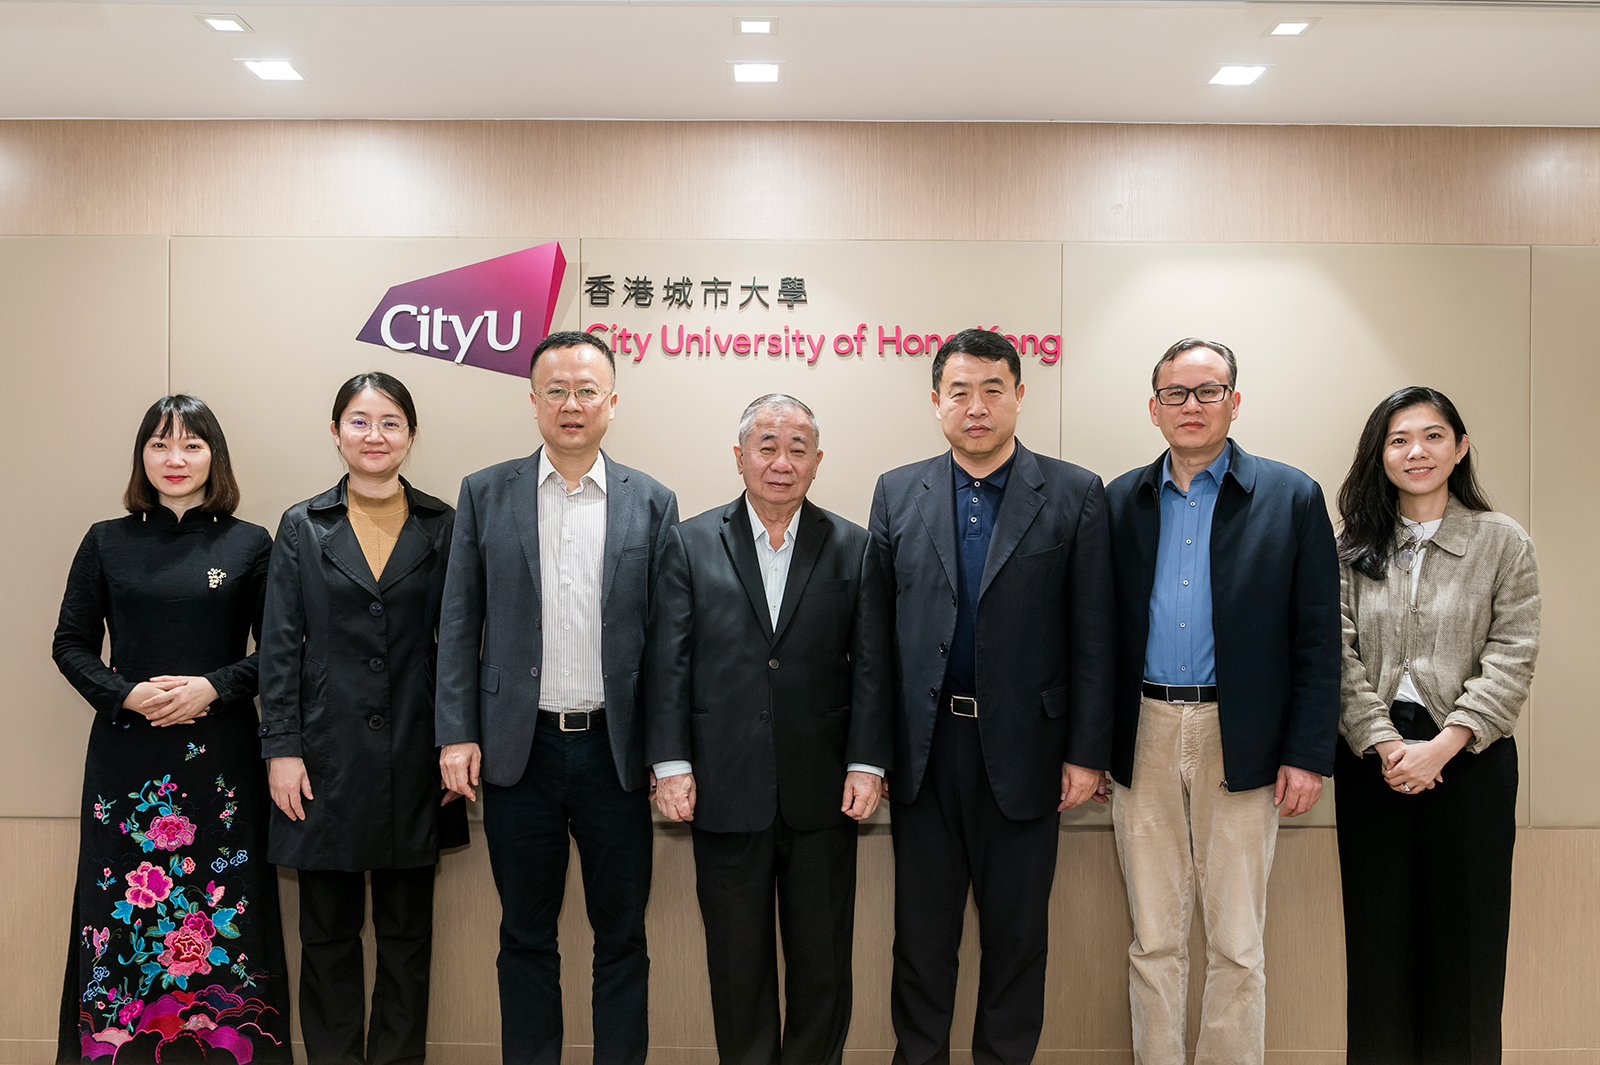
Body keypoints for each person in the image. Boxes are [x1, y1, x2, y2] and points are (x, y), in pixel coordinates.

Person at [867, 328, 1116, 1065]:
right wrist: (872, 754)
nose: (976, 407)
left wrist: (1086, 753)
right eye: (960, 392)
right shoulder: (896, 489)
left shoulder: (1074, 493)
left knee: (1016, 939)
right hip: (925, 750)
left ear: (1018, 395)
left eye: (992, 390)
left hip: (1029, 752)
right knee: (921, 937)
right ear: (936, 401)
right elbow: (876, 640)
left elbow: (1095, 635)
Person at [434, 330, 678, 1065]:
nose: (571, 405)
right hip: (519, 751)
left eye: (586, 391)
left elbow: (669, 644)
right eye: (556, 390)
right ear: (533, 400)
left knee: (622, 937)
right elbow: (457, 621)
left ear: (612, 401)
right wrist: (456, 732)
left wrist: (668, 758)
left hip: (615, 753)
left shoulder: (652, 499)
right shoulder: (484, 491)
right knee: (525, 935)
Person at [1103, 338, 1341, 1065]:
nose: (1192, 406)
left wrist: (1305, 752)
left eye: (1209, 391)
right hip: (1141, 727)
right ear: (1154, 408)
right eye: (1176, 393)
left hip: (1240, 732)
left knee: (1237, 939)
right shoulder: (1119, 500)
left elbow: (1317, 636)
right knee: (1155, 937)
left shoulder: (1290, 495)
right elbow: (1093, 631)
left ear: (1235, 401)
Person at [647, 393, 892, 1065]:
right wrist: (670, 763)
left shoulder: (854, 545)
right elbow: (669, 658)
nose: (781, 462)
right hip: (724, 789)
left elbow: (872, 664)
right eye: (767, 445)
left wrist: (867, 761)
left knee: (822, 967)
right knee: (737, 967)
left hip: (823, 793)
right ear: (740, 455)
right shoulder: (690, 540)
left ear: (816, 459)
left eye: (797, 448)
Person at [52, 395, 291, 1064]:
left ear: (215, 456)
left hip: (221, 762)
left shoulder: (250, 542)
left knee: (224, 899)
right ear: (142, 457)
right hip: (127, 762)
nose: (176, 458)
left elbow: (275, 651)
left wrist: (212, 686)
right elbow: (69, 644)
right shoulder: (106, 540)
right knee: (121, 907)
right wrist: (125, 693)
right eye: (161, 444)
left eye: (192, 444)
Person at [258, 372, 469, 1064]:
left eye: (389, 423)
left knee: (409, 938)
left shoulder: (443, 524)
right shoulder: (301, 524)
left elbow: (460, 643)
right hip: (323, 759)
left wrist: (454, 742)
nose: (374, 435)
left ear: (410, 435)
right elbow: (281, 645)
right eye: (359, 421)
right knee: (326, 935)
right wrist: (281, 748)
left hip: (418, 754)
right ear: (335, 431)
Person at [1334, 386, 1539, 1064]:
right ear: (1380, 453)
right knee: (1377, 947)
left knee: (1469, 949)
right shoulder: (1354, 544)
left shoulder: (1501, 540)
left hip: (1472, 762)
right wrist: (1387, 742)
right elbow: (1333, 651)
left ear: (1460, 447)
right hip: (1374, 764)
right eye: (1398, 439)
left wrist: (1445, 745)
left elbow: (1513, 651)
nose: (1415, 451)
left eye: (1431, 436)